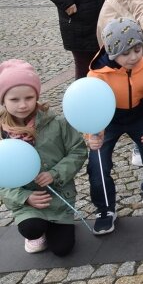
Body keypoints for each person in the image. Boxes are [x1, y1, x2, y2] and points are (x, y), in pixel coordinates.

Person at [86, 18, 143, 235]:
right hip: (106, 119)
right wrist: (92, 134)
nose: (134, 57)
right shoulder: (96, 76)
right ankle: (105, 209)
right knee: (97, 164)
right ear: (111, 51)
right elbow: (88, 108)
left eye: (137, 49)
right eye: (125, 53)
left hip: (138, 115)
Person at [0, 60, 87, 255]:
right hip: (27, 202)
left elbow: (79, 150)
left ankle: (58, 225)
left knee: (63, 249)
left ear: (37, 96)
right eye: (14, 100)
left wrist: (55, 174)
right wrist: (25, 197)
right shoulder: (2, 134)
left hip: (58, 197)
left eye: (29, 97)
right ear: (3, 101)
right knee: (31, 228)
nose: (23, 105)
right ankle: (36, 232)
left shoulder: (57, 123)